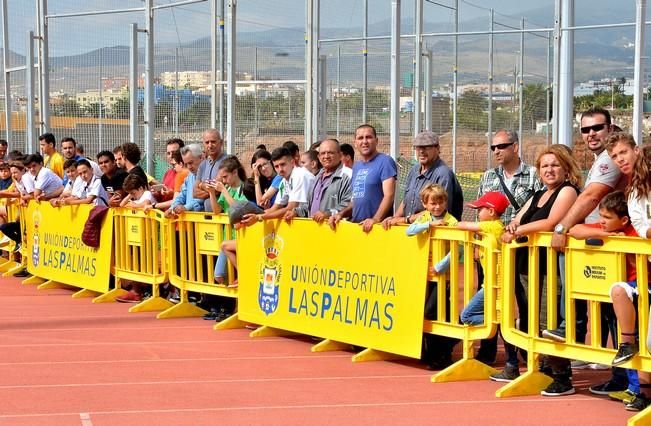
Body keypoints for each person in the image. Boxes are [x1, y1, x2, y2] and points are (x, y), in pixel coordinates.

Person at [485, 145, 580, 394]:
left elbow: (550, 223)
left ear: (566, 167)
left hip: (552, 268)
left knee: (550, 321)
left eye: (555, 165)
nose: (549, 170)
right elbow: (517, 218)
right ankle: (538, 367)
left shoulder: (568, 191)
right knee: (529, 317)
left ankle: (561, 376)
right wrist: (513, 227)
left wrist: (516, 231)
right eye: (544, 166)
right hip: (527, 265)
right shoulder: (537, 195)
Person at [547, 107, 629, 396]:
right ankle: (618, 375)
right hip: (601, 240)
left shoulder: (610, 159)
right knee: (609, 311)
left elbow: (593, 194)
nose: (591, 134)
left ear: (611, 128)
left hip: (614, 244)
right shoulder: (600, 159)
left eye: (597, 127)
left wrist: (562, 227)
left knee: (616, 313)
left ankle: (625, 379)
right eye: (585, 130)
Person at [569, 190, 650, 411]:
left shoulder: (637, 231)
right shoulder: (611, 229)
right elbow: (575, 230)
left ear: (624, 219)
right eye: (600, 216)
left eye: (606, 218)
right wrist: (608, 236)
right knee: (630, 343)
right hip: (625, 295)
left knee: (644, 342)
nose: (601, 222)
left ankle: (641, 389)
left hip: (644, 290)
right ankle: (636, 390)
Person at [404, 183, 463, 369]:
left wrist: (440, 266)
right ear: (425, 204)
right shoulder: (424, 217)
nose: (437, 207)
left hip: (443, 276)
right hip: (424, 275)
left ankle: (444, 351)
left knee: (436, 312)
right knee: (428, 314)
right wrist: (428, 224)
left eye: (440, 202)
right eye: (432, 203)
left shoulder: (452, 221)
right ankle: (432, 353)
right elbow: (409, 231)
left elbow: (457, 248)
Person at [383, 130, 463, 231]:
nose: (421, 151)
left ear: (438, 149)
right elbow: (406, 200)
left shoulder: (443, 174)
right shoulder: (414, 170)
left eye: (426, 147)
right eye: (418, 147)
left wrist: (405, 220)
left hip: (435, 236)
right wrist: (395, 218)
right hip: (414, 234)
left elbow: (439, 211)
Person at [330, 124, 397, 233]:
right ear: (355, 143)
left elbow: (389, 195)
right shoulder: (357, 166)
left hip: (378, 229)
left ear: (376, 141)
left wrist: (375, 219)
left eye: (368, 137)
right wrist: (341, 214)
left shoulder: (385, 161)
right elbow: (356, 199)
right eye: (360, 138)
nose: (364, 141)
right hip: (358, 228)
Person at [457, 192, 509, 326]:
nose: (478, 214)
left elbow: (462, 225)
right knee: (492, 311)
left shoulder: (493, 226)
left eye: (480, 210)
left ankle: (507, 322)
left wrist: (452, 223)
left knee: (466, 316)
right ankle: (505, 321)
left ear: (491, 211)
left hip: (494, 284)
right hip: (493, 282)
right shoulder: (493, 227)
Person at [241, 146, 316, 225]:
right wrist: (249, 217)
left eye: (283, 164)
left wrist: (259, 217)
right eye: (276, 166)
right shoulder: (284, 181)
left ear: (292, 163)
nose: (280, 169)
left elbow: (291, 208)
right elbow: (274, 208)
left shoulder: (299, 175)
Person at [208, 156, 249, 286]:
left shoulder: (245, 188)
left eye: (225, 177)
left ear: (235, 173)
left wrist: (224, 191)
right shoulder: (229, 189)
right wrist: (212, 193)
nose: (224, 181)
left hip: (242, 237)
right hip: (228, 236)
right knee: (219, 275)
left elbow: (239, 209)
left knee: (232, 276)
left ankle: (244, 275)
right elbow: (216, 210)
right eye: (222, 178)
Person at [288, 138, 352, 222]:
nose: (326, 156)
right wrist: (296, 212)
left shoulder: (348, 175)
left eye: (330, 153)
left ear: (340, 155)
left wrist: (327, 214)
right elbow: (308, 205)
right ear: (318, 157)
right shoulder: (318, 176)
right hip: (316, 231)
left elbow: (349, 204)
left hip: (336, 231)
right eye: (322, 153)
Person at [165, 144, 205, 217]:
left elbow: (204, 198)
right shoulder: (189, 177)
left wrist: (186, 207)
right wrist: (172, 208)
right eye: (186, 164)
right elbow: (182, 195)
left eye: (191, 163)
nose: (189, 167)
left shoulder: (208, 174)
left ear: (201, 157)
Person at [194, 129, 227, 212]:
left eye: (213, 142)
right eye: (207, 142)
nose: (210, 145)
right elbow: (195, 193)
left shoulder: (228, 161)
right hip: (207, 219)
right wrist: (210, 190)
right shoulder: (203, 165)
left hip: (223, 217)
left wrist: (201, 185)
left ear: (221, 142)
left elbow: (216, 190)